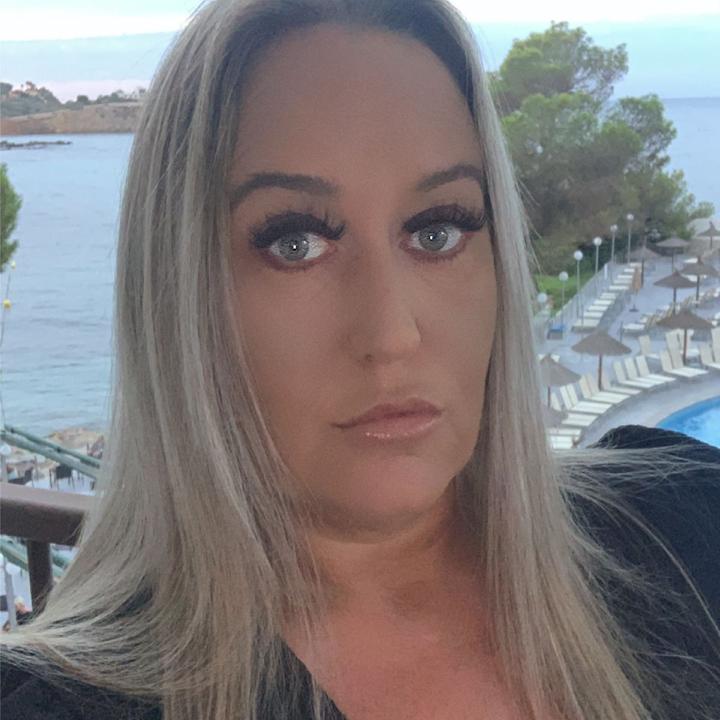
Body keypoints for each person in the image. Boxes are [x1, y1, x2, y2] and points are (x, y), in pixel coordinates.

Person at [1, 1, 719, 719]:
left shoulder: (687, 528)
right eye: (296, 244)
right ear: (179, 298)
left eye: (438, 232)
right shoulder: (58, 704)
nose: (392, 334)